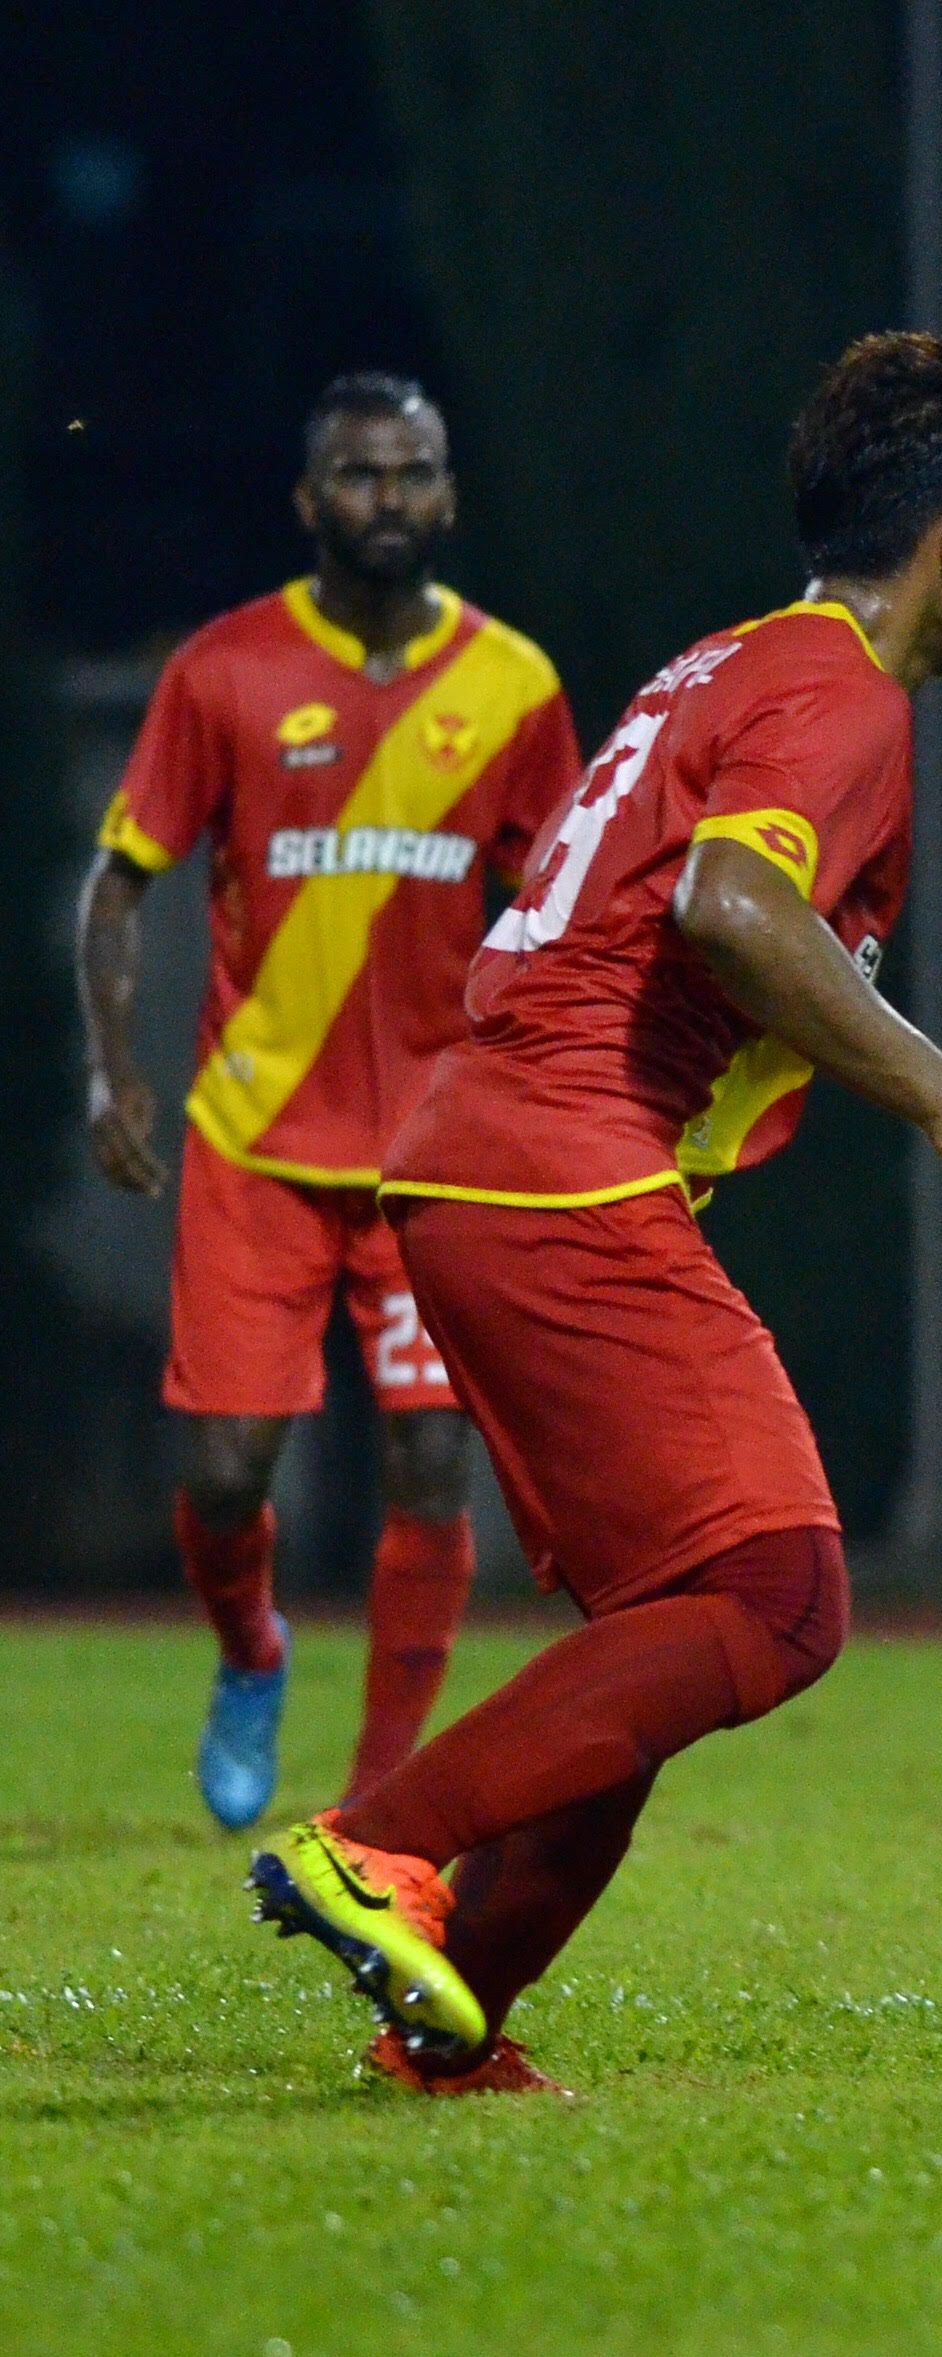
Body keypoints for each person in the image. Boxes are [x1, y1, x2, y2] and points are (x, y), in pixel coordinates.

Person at [244, 332, 942, 2097]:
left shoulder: (742, 655)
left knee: (664, 1622)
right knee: (778, 1593)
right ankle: (377, 1841)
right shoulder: (841, 690)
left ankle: (446, 2033)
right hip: (553, 1156)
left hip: (492, 1149)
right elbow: (732, 904)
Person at [74, 373, 579, 1832]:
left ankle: (376, 1804)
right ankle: (251, 1654)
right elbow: (120, 883)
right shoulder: (223, 673)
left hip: (435, 1156)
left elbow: (561, 908)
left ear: (449, 496)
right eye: (359, 475)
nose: (388, 499)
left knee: (433, 1458)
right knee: (228, 1475)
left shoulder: (514, 689)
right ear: (308, 503)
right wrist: (120, 1071)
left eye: (413, 472)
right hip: (255, 1145)